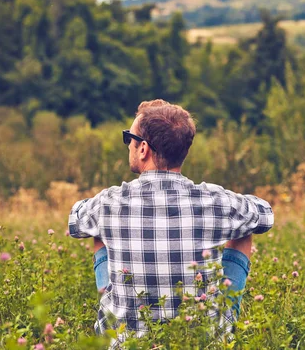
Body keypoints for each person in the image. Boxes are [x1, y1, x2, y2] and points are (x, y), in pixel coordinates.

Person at [68, 100, 274, 343]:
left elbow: (75, 221)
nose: (128, 146)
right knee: (244, 230)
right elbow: (265, 215)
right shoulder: (216, 201)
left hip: (129, 344)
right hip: (201, 343)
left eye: (129, 138)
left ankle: (116, 323)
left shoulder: (109, 203)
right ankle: (222, 324)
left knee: (98, 232)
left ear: (143, 148)